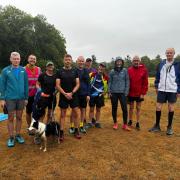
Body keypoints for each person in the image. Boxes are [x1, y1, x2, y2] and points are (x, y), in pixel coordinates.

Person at [149, 48, 180, 135]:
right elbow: (158, 75)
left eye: (171, 53)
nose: (169, 54)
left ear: (174, 54)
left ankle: (169, 127)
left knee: (171, 108)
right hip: (162, 89)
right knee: (158, 107)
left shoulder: (178, 65)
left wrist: (179, 90)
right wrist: (156, 86)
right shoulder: (161, 64)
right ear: (166, 54)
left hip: (172, 90)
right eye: (167, 53)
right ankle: (157, 126)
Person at [0, 52, 28, 147]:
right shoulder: (5, 71)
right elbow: (2, 85)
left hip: (21, 98)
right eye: (14, 58)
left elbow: (26, 85)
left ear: (20, 59)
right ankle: (11, 137)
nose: (16, 60)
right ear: (10, 59)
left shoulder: (23, 71)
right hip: (10, 98)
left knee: (19, 117)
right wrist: (2, 99)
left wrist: (26, 98)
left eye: (17, 59)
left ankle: (18, 135)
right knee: (11, 118)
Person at [56, 54, 81, 141]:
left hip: (73, 95)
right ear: (64, 60)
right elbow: (57, 85)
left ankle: (76, 130)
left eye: (69, 60)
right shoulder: (59, 71)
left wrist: (72, 93)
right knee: (63, 114)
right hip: (63, 96)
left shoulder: (75, 71)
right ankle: (61, 132)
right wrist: (65, 94)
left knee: (76, 113)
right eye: (66, 60)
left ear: (71, 61)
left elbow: (78, 84)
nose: (67, 61)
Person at [108, 56, 130, 131]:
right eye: (117, 61)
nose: (119, 63)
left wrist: (126, 91)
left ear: (122, 62)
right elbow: (109, 82)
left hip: (123, 93)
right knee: (114, 108)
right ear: (115, 62)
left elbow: (127, 81)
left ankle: (125, 124)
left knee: (124, 109)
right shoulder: (112, 71)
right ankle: (115, 123)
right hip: (113, 93)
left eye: (120, 61)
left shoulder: (125, 71)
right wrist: (109, 91)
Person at [127, 56, 148, 130]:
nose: (136, 62)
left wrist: (143, 93)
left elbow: (145, 83)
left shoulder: (144, 70)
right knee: (131, 107)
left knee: (138, 108)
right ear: (132, 61)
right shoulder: (129, 70)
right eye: (134, 60)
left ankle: (138, 122)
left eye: (137, 60)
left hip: (139, 93)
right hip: (131, 92)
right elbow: (127, 81)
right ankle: (130, 120)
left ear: (140, 61)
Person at [86, 63, 108, 128]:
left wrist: (105, 92)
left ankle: (97, 122)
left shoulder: (106, 77)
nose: (101, 68)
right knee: (91, 109)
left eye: (103, 67)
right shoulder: (92, 74)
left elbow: (107, 86)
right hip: (92, 95)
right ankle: (90, 122)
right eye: (100, 66)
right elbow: (87, 83)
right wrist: (87, 93)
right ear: (98, 67)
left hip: (100, 96)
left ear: (104, 69)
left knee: (98, 109)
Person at [25, 54, 41, 127]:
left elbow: (41, 80)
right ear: (28, 59)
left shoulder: (39, 69)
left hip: (37, 95)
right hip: (28, 95)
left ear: (36, 60)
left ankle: (35, 126)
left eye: (34, 59)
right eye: (31, 58)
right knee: (28, 112)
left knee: (36, 111)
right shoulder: (24, 69)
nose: (32, 60)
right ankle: (29, 126)